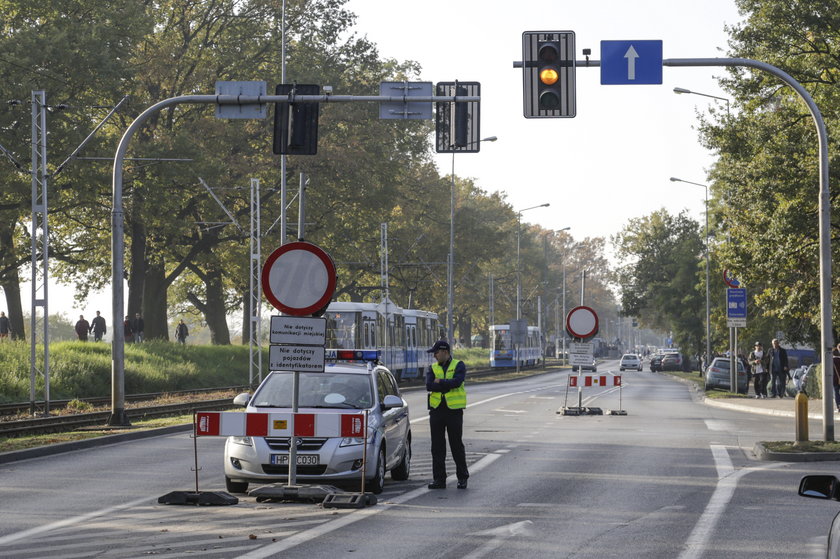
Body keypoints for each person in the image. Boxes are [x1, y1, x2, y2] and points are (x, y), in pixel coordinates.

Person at [425, 339, 469, 490]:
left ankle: (462, 478)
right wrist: (445, 383)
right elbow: (429, 385)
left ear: (444, 352)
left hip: (454, 411)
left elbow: (457, 382)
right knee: (437, 447)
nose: (434, 356)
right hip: (436, 410)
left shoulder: (459, 365)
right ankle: (439, 480)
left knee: (456, 445)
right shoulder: (432, 368)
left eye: (436, 353)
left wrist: (440, 382)